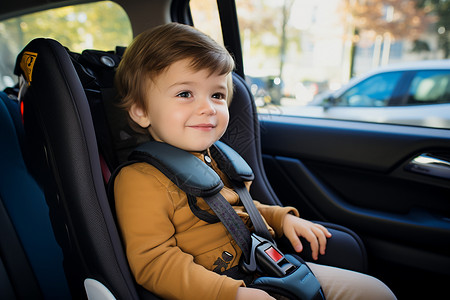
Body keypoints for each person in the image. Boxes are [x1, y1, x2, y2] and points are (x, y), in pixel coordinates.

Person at [114, 22, 396, 300]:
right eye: (185, 94)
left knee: (375, 292)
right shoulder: (140, 180)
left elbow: (239, 207)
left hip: (264, 266)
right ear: (141, 111)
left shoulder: (216, 158)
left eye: (217, 95)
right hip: (216, 289)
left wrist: (282, 219)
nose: (207, 108)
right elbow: (154, 263)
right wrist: (232, 294)